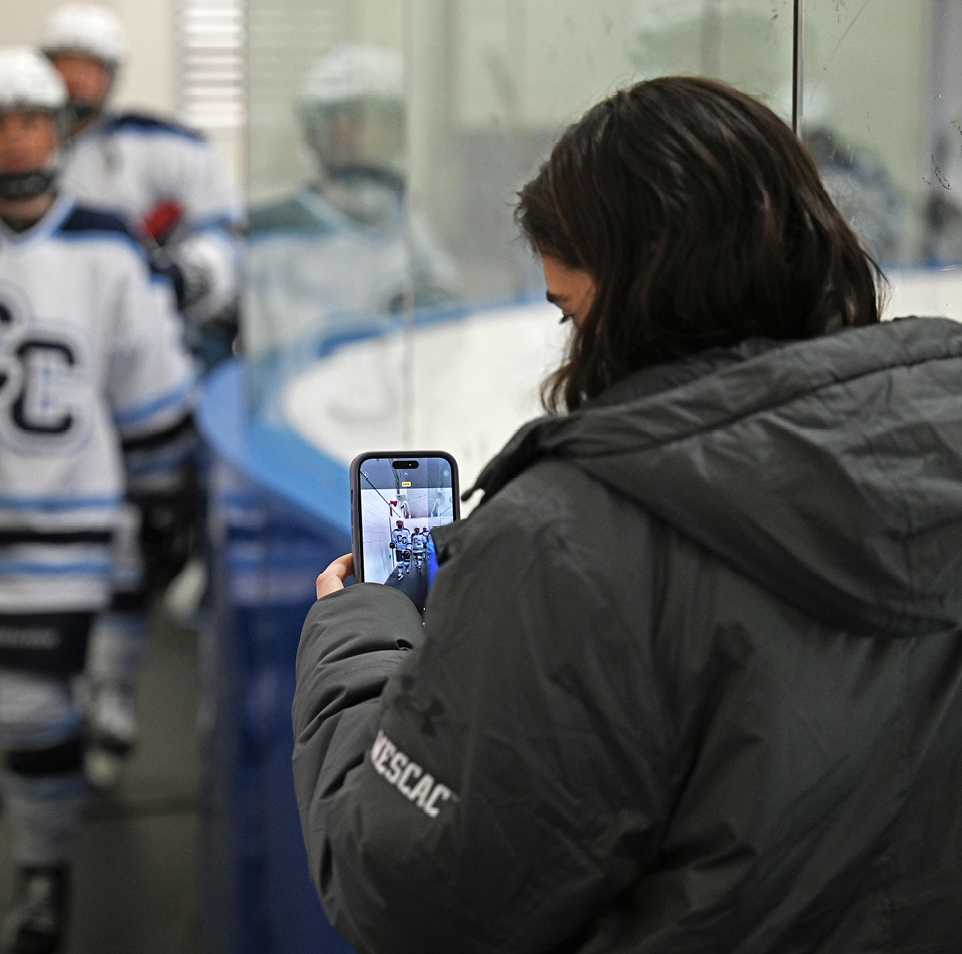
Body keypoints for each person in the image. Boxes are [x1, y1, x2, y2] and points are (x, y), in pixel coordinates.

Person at [294, 76, 962, 953]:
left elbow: (414, 892)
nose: (575, 350)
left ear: (640, 295)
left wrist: (359, 635)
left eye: (572, 310)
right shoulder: (937, 445)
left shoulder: (566, 539)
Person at [0, 46, 195, 954]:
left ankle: (44, 879)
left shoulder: (109, 243)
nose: (11, 141)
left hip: (61, 526)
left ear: (59, 132)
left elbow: (147, 384)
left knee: (33, 713)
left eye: (29, 121)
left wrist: (163, 500)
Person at [39, 1, 239, 789]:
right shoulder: (19, 141)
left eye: (88, 69)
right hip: (49, 384)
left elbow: (226, 239)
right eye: (61, 65)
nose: (72, 84)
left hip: (143, 376)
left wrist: (186, 274)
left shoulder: (167, 149)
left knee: (126, 540)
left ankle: (112, 698)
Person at [246, 44, 457, 355]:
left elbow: (444, 325)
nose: (345, 134)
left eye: (360, 120)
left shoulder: (408, 217)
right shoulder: (270, 240)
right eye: (333, 120)